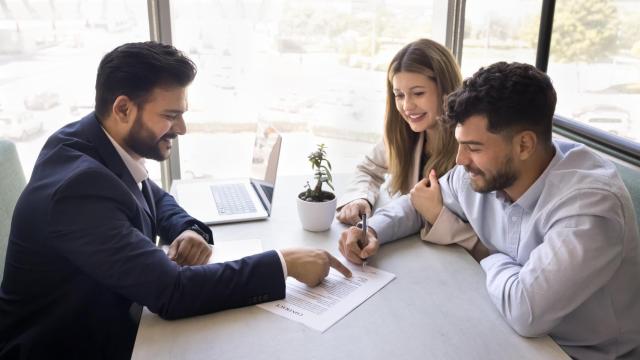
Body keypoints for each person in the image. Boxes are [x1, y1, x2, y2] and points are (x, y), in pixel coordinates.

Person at [0, 41, 351, 359]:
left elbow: (149, 193)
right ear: (123, 108)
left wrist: (186, 229)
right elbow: (173, 293)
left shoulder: (91, 139)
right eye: (170, 116)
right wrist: (284, 263)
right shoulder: (78, 189)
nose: (182, 129)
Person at [340, 62, 640, 359]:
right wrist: (371, 229)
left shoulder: (590, 206)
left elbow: (526, 311)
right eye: (460, 144)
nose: (459, 160)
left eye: (474, 147)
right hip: (504, 327)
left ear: (524, 145)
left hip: (575, 352)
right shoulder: (486, 171)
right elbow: (420, 203)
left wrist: (485, 252)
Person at [336, 38, 461, 224]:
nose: (407, 106)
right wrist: (359, 198)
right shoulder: (403, 135)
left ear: (446, 90)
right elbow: (368, 169)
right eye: (399, 95)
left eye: (418, 93)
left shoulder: (470, 146)